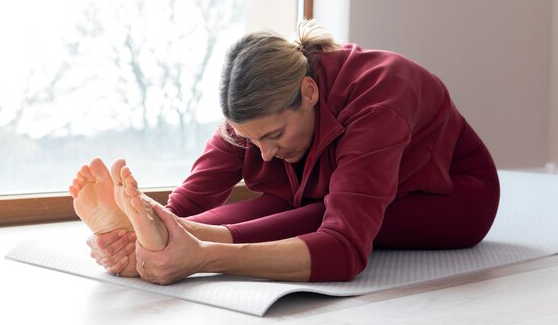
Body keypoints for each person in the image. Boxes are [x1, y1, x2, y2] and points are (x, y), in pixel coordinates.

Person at [69, 19, 500, 284]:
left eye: (273, 135)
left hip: (449, 196)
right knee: (190, 222)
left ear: (309, 92)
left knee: (321, 216)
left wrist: (203, 258)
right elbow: (192, 200)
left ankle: (181, 244)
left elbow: (345, 248)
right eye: (252, 140)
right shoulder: (256, 116)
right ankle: (156, 239)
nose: (266, 155)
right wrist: (140, 230)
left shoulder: (379, 96)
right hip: (320, 187)